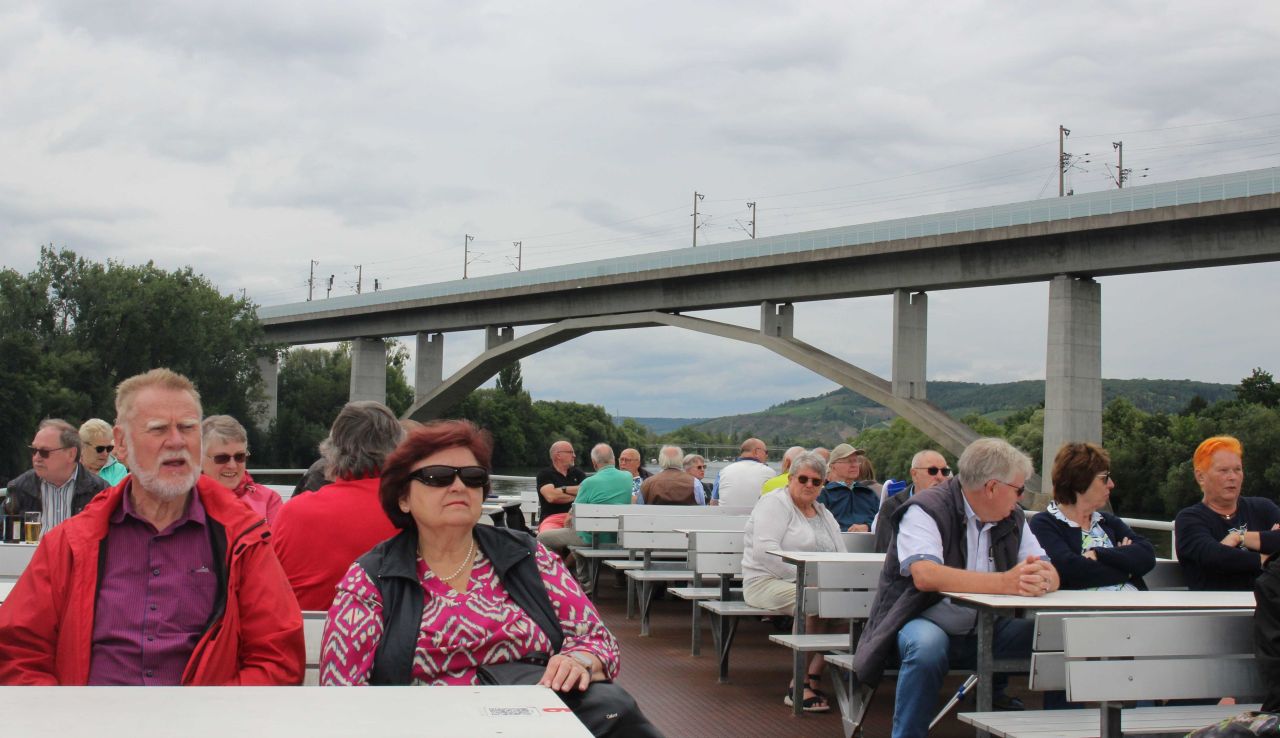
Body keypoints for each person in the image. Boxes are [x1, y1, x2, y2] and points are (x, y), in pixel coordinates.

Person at [320, 421, 662, 735]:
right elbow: (341, 696)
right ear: (403, 498)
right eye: (438, 476)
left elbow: (598, 640)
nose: (458, 486)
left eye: (472, 477)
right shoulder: (373, 578)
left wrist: (578, 661)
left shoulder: (528, 556)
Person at [0, 368, 304, 684]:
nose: (177, 441)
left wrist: (216, 711)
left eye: (188, 428)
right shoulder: (71, 542)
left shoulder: (242, 539)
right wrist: (65, 712)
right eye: (158, 429)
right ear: (121, 443)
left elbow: (277, 657)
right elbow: (18, 651)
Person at [852, 437, 1058, 738]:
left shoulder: (1012, 517)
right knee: (926, 649)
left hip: (988, 628)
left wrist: (1043, 578)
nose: (1021, 497)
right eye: (1018, 489)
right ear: (992, 487)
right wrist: (1006, 582)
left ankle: (1064, 730)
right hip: (921, 619)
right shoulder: (924, 510)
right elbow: (926, 575)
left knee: (1060, 636)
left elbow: (1047, 568)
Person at [272, 400, 405, 610]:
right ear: (398, 450)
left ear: (332, 451)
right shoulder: (412, 510)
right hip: (389, 628)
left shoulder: (293, 512)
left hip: (306, 629)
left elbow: (268, 588)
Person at [741, 451, 846, 712]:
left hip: (816, 584)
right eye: (803, 479)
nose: (809, 485)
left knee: (849, 605)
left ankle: (814, 675)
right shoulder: (774, 504)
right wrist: (808, 581)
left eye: (816, 481)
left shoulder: (823, 513)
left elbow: (841, 553)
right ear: (790, 478)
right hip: (765, 580)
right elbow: (764, 553)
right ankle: (797, 684)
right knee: (815, 601)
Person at [1030, 442, 1155, 590]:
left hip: (1135, 602)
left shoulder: (1106, 521)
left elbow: (1147, 555)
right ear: (1080, 480)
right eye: (1105, 477)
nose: (1111, 484)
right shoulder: (1044, 524)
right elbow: (1069, 571)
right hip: (1087, 606)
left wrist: (1098, 554)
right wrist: (1129, 570)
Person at [1175, 436, 1280, 591]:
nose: (1232, 477)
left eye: (1237, 469)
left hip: (1268, 602)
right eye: (1223, 471)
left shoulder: (1262, 508)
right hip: (1215, 604)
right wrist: (1269, 559)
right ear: (1201, 477)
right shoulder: (1189, 519)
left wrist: (1239, 537)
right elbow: (1214, 557)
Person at [538, 443, 633, 594]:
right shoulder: (628, 477)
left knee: (542, 538)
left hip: (593, 537)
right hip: (617, 537)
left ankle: (561, 579)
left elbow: (570, 517)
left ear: (594, 463)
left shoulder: (589, 483)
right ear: (613, 459)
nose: (574, 455)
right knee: (578, 538)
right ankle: (584, 581)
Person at [3, 418, 108, 530]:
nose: (36, 458)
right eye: (34, 450)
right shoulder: (19, 488)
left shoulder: (100, 491)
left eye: (44, 452)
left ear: (71, 454)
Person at [201, 415, 283, 526]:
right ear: (199, 459)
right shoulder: (184, 503)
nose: (232, 465)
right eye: (222, 458)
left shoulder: (269, 500)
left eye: (239, 456)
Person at [873, 449, 951, 553]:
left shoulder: (954, 507)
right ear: (914, 474)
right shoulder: (892, 507)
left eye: (945, 472)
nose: (940, 477)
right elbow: (883, 553)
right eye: (932, 471)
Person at [818, 443, 879, 532]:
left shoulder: (869, 494)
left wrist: (868, 527)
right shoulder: (823, 495)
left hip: (868, 540)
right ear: (832, 466)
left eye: (856, 461)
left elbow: (883, 522)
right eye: (849, 461)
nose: (854, 465)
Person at [535, 440, 586, 533]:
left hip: (576, 518)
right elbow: (551, 497)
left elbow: (586, 491)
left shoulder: (578, 473)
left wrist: (562, 490)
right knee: (547, 537)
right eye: (571, 452)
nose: (574, 456)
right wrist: (578, 495)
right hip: (552, 519)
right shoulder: (545, 474)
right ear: (558, 455)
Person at [711, 438, 774, 507]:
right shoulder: (770, 473)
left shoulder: (723, 472)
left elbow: (714, 502)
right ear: (756, 451)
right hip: (757, 514)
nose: (767, 455)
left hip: (726, 514)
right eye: (766, 452)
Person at [79, 418, 128, 485]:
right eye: (100, 449)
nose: (105, 453)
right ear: (83, 446)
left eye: (109, 448)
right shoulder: (70, 467)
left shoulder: (118, 470)